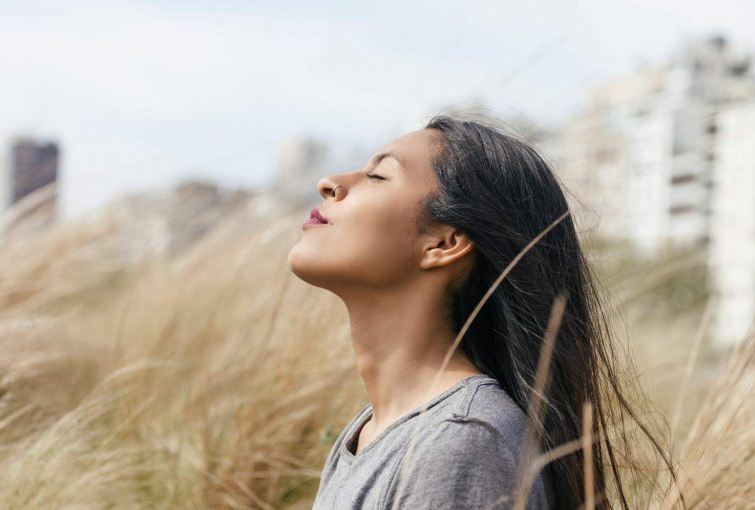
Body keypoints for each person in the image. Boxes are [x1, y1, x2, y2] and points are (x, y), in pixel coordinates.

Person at [288, 114, 680, 509]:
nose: (330, 183)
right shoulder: (374, 431)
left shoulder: (462, 441)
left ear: (444, 242)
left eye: (378, 177)